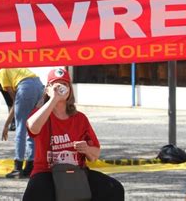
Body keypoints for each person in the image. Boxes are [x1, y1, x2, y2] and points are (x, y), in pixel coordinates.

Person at [23, 67, 124, 201]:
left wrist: (87, 149)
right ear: (48, 89)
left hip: (76, 172)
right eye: (56, 84)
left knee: (114, 188)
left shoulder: (80, 118)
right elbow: (33, 127)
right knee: (34, 194)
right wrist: (53, 100)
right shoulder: (41, 114)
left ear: (70, 89)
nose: (61, 88)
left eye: (65, 84)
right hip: (46, 172)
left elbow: (95, 155)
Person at [0, 68, 44, 178]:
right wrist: (6, 125)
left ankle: (17, 167)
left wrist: (7, 125)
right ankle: (30, 167)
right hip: (39, 86)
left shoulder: (1, 72)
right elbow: (16, 104)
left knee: (21, 129)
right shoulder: (14, 69)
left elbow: (15, 100)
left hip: (26, 88)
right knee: (32, 128)